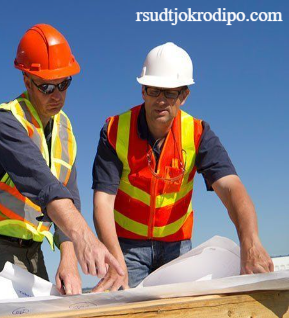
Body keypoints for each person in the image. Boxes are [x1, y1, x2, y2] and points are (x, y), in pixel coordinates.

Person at [91, 42, 274, 291]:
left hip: (177, 247)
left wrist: (250, 243)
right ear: (143, 90)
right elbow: (103, 201)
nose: (161, 101)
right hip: (126, 248)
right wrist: (114, 260)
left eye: (170, 93)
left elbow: (232, 189)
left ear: (184, 96)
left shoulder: (198, 134)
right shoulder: (113, 130)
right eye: (154, 90)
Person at [0, 24, 122, 305]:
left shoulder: (65, 129)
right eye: (47, 86)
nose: (57, 94)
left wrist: (69, 258)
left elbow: (69, 196)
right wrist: (85, 236)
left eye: (64, 84)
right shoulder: (4, 123)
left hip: (32, 250)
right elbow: (45, 186)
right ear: (27, 81)